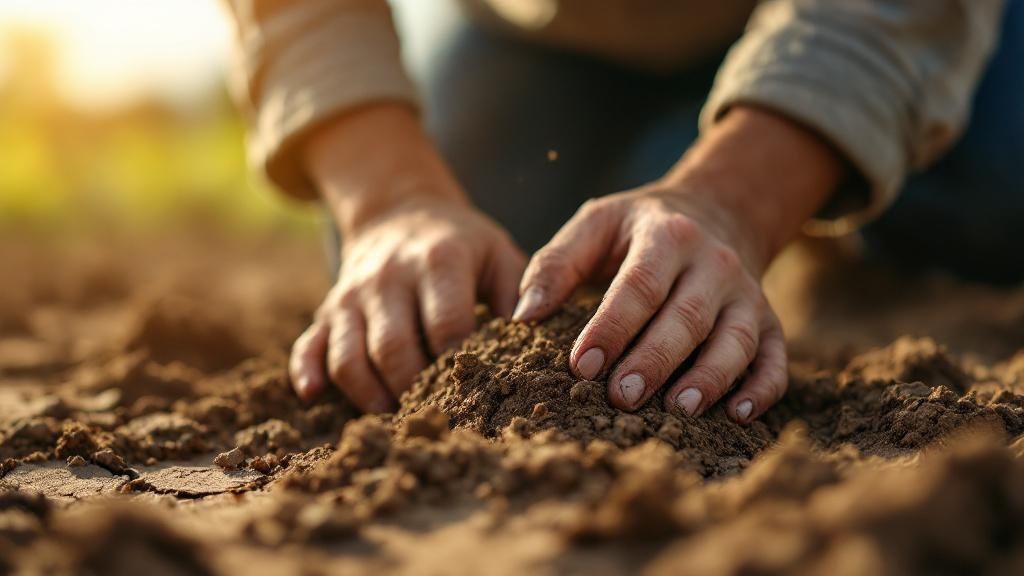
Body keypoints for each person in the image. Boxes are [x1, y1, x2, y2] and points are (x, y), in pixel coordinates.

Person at [224, 0, 1021, 423]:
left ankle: (758, 153)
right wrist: (393, 201)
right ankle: (692, 148)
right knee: (429, 291)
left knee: (998, 187)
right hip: (543, 32)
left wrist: (732, 203)